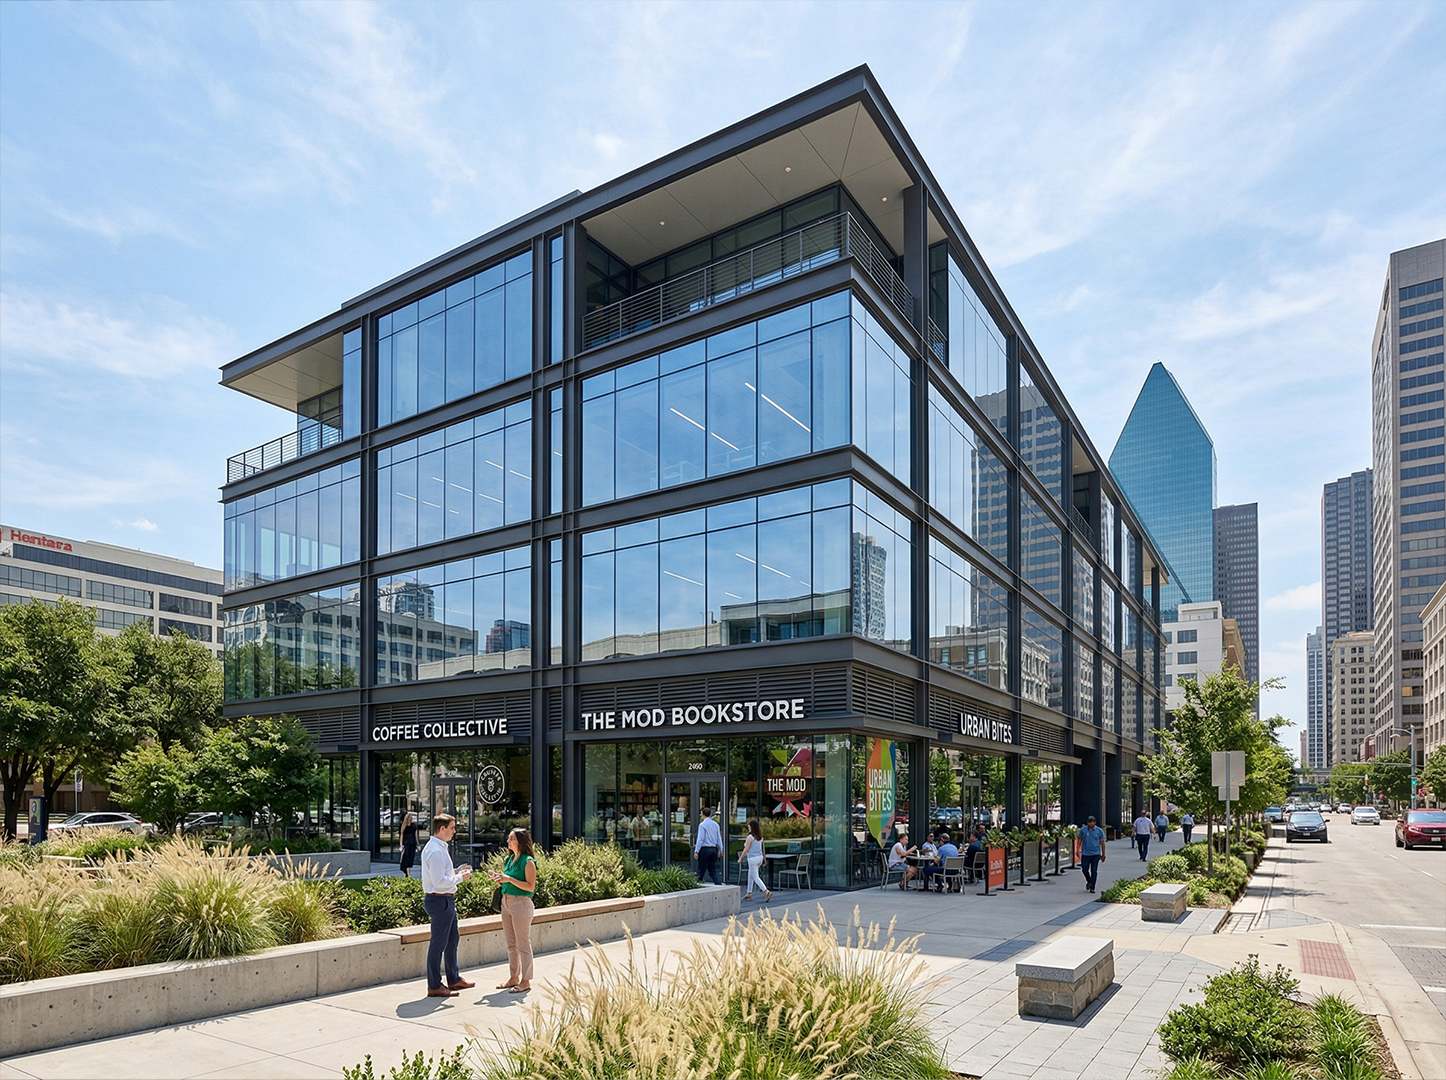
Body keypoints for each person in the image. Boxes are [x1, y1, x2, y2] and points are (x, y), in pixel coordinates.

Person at [420, 813, 474, 998]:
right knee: (438, 944)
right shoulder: (435, 851)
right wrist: (460, 878)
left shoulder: (439, 848)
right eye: (452, 828)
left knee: (452, 940)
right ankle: (434, 985)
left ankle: (453, 978)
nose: (454, 831)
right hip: (439, 900)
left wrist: (456, 872)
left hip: (444, 899)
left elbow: (442, 875)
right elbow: (439, 881)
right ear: (441, 829)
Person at [487, 827, 537, 994]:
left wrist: (508, 878)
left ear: (520, 841)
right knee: (511, 944)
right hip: (506, 902)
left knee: (523, 944)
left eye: (511, 838)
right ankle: (513, 977)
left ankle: (526, 980)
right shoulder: (510, 860)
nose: (508, 841)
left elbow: (530, 887)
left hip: (521, 904)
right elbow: (510, 882)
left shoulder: (528, 861)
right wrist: (499, 879)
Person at [738, 818, 770, 902]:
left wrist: (741, 858)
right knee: (751, 874)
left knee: (754, 876)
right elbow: (763, 849)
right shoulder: (760, 837)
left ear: (752, 827)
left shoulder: (750, 837)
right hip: (759, 858)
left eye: (749, 827)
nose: (748, 828)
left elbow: (746, 849)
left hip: (752, 859)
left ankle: (766, 891)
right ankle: (749, 893)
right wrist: (764, 859)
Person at [694, 805, 723, 885]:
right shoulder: (716, 825)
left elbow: (700, 839)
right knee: (712, 869)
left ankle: (698, 882)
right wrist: (721, 849)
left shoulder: (702, 825)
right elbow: (718, 838)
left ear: (703, 814)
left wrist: (696, 851)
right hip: (714, 849)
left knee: (701, 869)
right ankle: (718, 883)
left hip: (705, 849)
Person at [1079, 815, 1106, 893]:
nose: (1091, 824)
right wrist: (1078, 850)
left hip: (1095, 853)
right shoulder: (1083, 830)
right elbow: (1080, 839)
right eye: (1090, 822)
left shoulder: (1099, 831)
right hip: (1085, 853)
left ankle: (1092, 887)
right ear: (1087, 822)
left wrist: (1103, 854)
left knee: (1094, 870)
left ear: (1095, 822)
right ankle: (1089, 880)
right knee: (1084, 869)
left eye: (1093, 822)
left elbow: (1102, 843)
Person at [399, 812, 418, 878]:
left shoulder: (413, 825)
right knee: (406, 857)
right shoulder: (404, 825)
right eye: (409, 817)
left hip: (412, 843)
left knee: (411, 857)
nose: (410, 818)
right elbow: (401, 835)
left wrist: (417, 844)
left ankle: (408, 872)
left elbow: (415, 835)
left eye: (411, 817)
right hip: (406, 843)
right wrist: (401, 845)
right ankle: (405, 871)